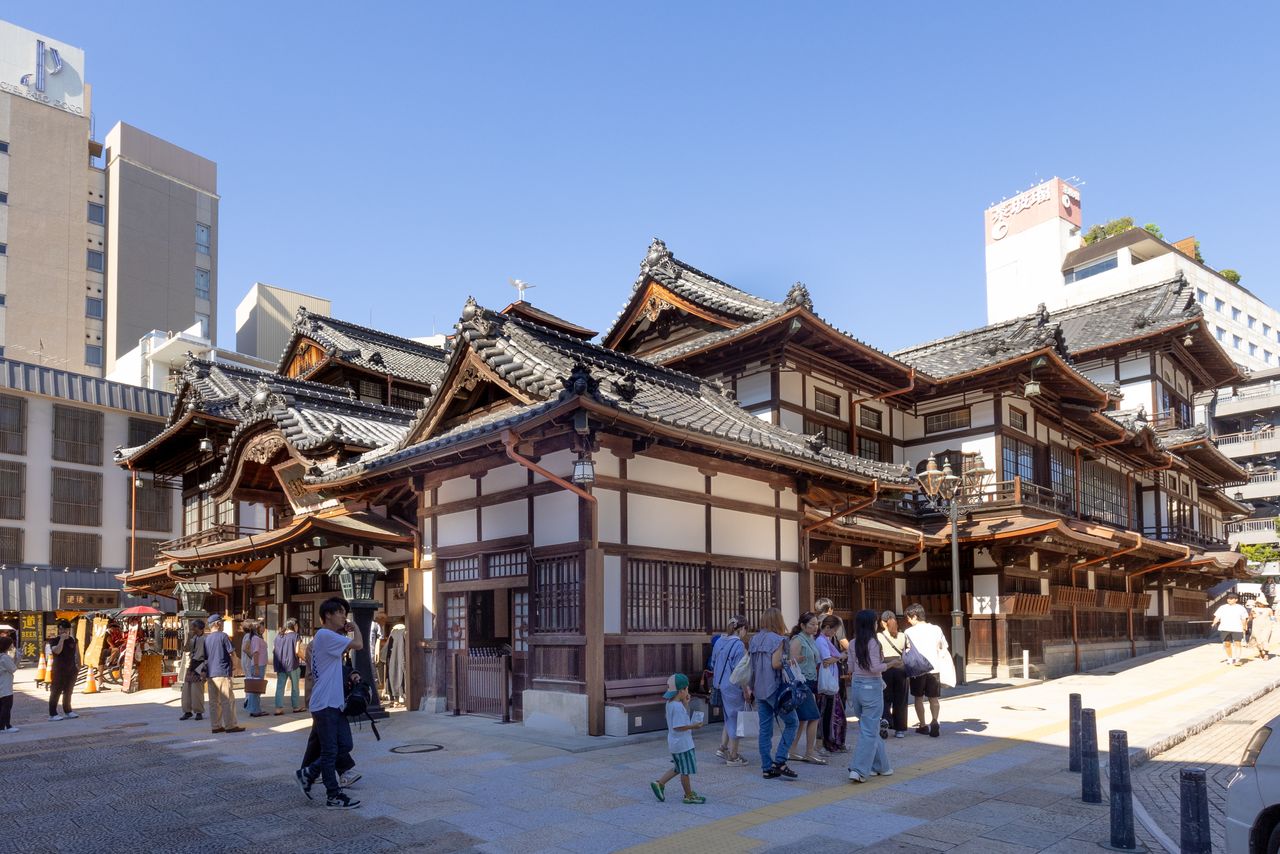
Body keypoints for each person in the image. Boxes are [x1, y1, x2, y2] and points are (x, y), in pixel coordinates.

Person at [296, 597, 363, 810]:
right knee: (330, 751)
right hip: (325, 703)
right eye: (340, 612)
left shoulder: (326, 637)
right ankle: (333, 795)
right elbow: (359, 644)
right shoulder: (325, 635)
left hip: (332, 702)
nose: (344, 616)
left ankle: (309, 773)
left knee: (344, 745)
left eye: (345, 613)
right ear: (328, 615)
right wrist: (356, 626)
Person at [748, 606, 799, 780]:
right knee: (792, 723)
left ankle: (766, 767)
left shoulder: (754, 639)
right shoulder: (779, 639)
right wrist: (790, 662)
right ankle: (780, 760)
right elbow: (775, 664)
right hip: (774, 689)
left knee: (765, 730)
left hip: (758, 689)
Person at [847, 609, 894, 782]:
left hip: (856, 687)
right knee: (869, 730)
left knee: (869, 727)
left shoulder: (852, 643)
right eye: (875, 621)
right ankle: (858, 770)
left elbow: (850, 668)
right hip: (872, 687)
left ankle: (882, 766)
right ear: (871, 624)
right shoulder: (873, 643)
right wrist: (891, 664)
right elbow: (875, 668)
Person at [648, 673, 706, 804]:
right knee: (685, 771)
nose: (688, 691)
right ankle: (688, 795)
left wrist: (685, 703)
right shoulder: (677, 707)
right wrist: (694, 726)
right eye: (687, 688)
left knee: (678, 767)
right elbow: (678, 726)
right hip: (683, 744)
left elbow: (676, 720)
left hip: (675, 742)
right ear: (681, 690)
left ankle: (659, 783)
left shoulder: (670, 703)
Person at [903, 603, 954, 737]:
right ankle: (935, 720)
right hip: (934, 667)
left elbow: (906, 649)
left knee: (918, 698)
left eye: (909, 618)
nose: (908, 621)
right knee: (933, 698)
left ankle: (923, 725)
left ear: (914, 616)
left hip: (917, 669)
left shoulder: (908, 632)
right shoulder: (936, 629)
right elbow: (943, 646)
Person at [709, 615, 749, 766]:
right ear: (742, 628)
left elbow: (713, 663)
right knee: (735, 718)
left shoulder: (719, 641)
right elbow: (741, 672)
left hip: (719, 683)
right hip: (733, 686)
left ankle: (723, 747)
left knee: (729, 716)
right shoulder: (738, 645)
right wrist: (746, 690)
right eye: (746, 629)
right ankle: (733, 755)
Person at [787, 612, 826, 764]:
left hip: (810, 680)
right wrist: (796, 659)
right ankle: (809, 751)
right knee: (814, 716)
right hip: (800, 682)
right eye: (812, 624)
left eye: (817, 624)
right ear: (803, 625)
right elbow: (790, 662)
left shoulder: (810, 639)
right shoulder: (797, 640)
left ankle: (792, 750)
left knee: (802, 718)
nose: (816, 627)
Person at [203, 615, 243, 734]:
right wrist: (235, 666)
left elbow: (205, 658)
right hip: (222, 671)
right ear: (217, 623)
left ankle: (216, 726)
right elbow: (232, 653)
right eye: (222, 622)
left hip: (211, 673)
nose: (223, 624)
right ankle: (230, 725)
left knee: (214, 702)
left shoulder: (207, 639)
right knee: (227, 700)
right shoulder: (223, 636)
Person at [816, 615, 847, 752]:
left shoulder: (825, 640)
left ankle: (833, 742)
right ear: (827, 627)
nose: (835, 633)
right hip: (827, 683)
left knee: (831, 714)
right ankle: (828, 743)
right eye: (834, 630)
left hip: (831, 681)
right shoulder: (821, 641)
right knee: (829, 715)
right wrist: (841, 656)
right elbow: (826, 661)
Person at [877, 611, 910, 738]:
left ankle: (885, 722)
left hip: (885, 668)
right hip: (901, 668)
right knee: (900, 699)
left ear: (883, 623)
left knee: (885, 698)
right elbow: (908, 650)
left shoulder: (878, 636)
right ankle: (900, 729)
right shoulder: (903, 635)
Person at [48, 620, 80, 721]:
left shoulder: (73, 640)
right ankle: (53, 713)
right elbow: (57, 651)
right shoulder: (54, 640)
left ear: (69, 629)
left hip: (71, 669)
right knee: (56, 691)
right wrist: (61, 640)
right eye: (61, 629)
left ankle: (68, 710)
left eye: (65, 629)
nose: (63, 631)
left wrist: (78, 665)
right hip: (59, 670)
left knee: (68, 691)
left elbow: (77, 652)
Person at [1212, 591, 1251, 666]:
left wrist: (1244, 627)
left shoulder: (1240, 608)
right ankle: (1229, 658)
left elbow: (1244, 619)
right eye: (1228, 598)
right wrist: (1214, 623)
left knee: (1237, 643)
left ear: (1236, 600)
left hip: (1237, 628)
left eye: (1231, 598)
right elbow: (1217, 616)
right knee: (1227, 644)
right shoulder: (1222, 607)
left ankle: (1237, 659)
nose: (1229, 600)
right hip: (1225, 628)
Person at [179, 619, 207, 722]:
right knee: (186, 689)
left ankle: (198, 711)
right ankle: (187, 710)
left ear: (198, 628)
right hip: (191, 663)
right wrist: (188, 638)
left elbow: (207, 655)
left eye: (194, 627)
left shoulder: (205, 639)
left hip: (200, 663)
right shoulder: (193, 638)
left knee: (197, 689)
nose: (192, 629)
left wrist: (204, 668)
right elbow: (186, 649)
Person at [274, 619, 302, 715]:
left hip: (281, 665)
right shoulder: (295, 636)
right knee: (295, 687)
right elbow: (297, 651)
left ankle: (278, 708)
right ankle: (296, 707)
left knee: (280, 687)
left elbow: (274, 650)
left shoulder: (279, 636)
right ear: (295, 625)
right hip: (292, 664)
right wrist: (305, 658)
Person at [1250, 596, 1277, 661]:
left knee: (1265, 639)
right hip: (1256, 626)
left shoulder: (1269, 610)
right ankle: (1260, 651)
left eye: (1260, 603)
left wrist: (1273, 624)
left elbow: (1272, 618)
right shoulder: (1254, 609)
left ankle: (1266, 654)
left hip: (1266, 626)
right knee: (1257, 640)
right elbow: (1250, 618)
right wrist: (1251, 615)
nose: (1259, 604)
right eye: (1258, 602)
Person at [0, 635, 17, 732]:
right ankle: (6, 726)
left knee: (1, 706)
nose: (12, 645)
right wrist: (17, 657)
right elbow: (13, 668)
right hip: (6, 686)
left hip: (2, 684)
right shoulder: (5, 657)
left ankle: (2, 726)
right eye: (11, 644)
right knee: (6, 706)